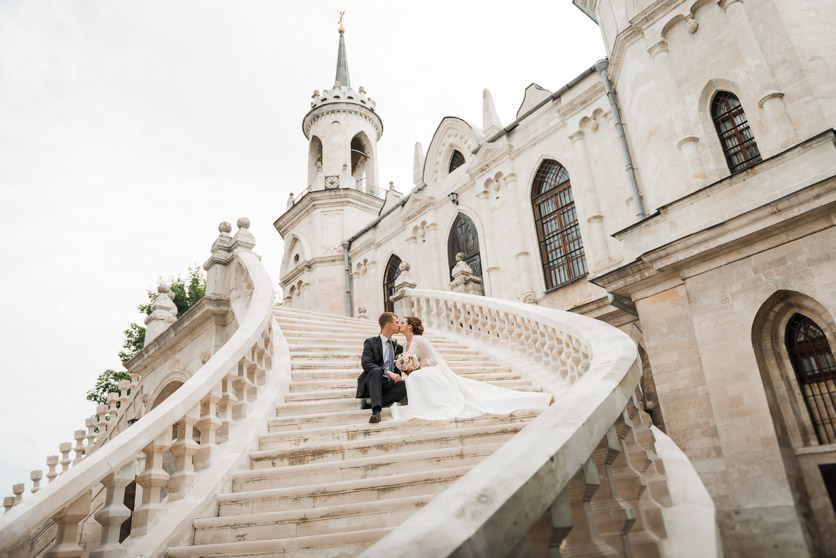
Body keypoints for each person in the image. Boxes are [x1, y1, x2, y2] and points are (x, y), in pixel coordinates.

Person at [391, 316, 551, 420]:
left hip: (431, 370)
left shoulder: (419, 340)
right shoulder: (405, 344)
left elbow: (433, 359)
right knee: (413, 378)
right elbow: (412, 363)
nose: (400, 325)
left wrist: (423, 367)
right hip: (421, 373)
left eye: (402, 323)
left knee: (417, 377)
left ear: (410, 326)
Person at [358, 312, 406, 423]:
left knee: (405, 385)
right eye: (397, 322)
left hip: (388, 385)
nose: (399, 325)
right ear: (388, 325)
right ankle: (376, 412)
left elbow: (398, 370)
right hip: (372, 383)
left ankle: (371, 404)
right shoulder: (371, 342)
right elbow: (366, 364)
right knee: (375, 371)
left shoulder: (397, 347)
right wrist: (387, 372)